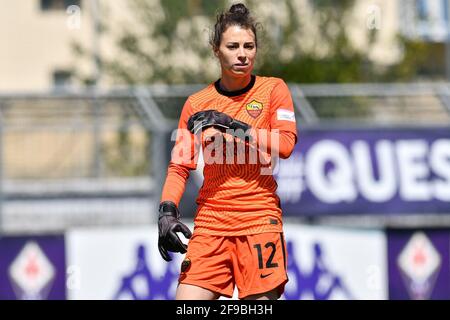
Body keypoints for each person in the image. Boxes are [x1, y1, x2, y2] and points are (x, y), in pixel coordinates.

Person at [157, 3, 298, 300]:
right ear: (216, 50)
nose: (242, 53)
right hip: (211, 226)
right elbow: (180, 166)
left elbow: (285, 144)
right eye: (233, 46)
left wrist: (234, 125)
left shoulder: (273, 90)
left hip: (259, 223)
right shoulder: (197, 104)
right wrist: (167, 211)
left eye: (249, 46)